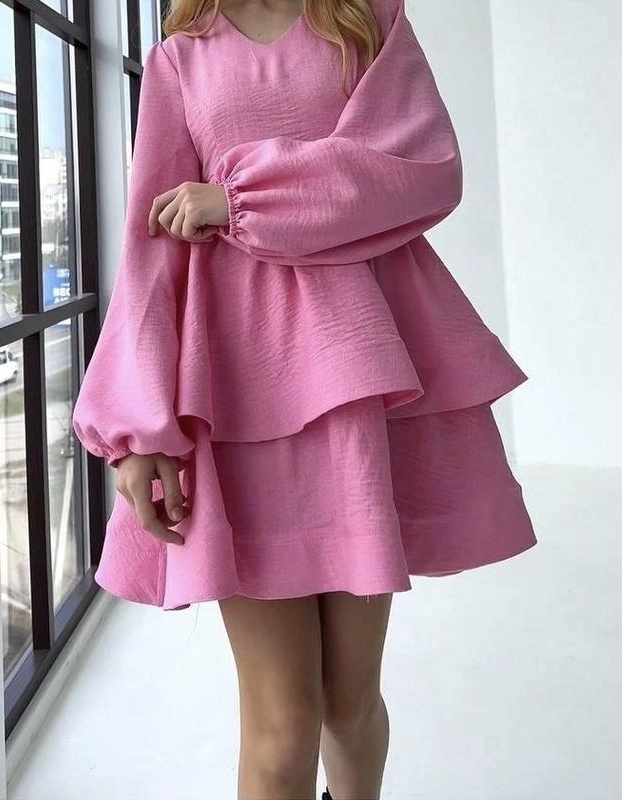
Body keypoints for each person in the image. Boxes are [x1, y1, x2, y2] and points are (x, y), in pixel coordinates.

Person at [72, 0, 538, 797]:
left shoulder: (364, 20)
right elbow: (150, 254)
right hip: (236, 392)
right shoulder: (181, 59)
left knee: (349, 705)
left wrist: (240, 200)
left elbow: (422, 165)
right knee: (283, 721)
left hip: (358, 381)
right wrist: (137, 426)